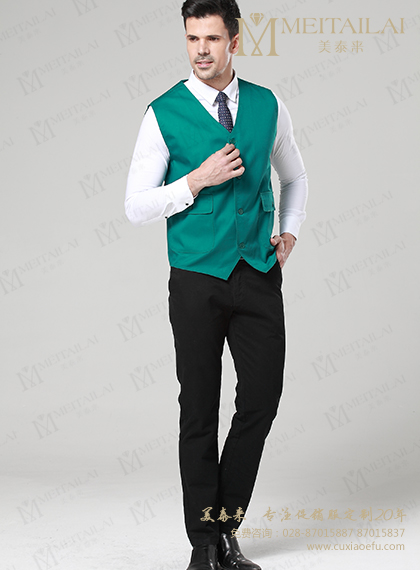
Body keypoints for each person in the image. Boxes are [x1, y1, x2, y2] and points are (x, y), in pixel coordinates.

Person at [125, 1, 308, 568]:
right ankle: (206, 544)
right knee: (199, 409)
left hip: (257, 274)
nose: (200, 50)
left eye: (211, 38)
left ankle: (226, 524)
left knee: (261, 400)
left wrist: (290, 230)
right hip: (196, 279)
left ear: (234, 40)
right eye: (191, 38)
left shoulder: (268, 104)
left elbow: (295, 175)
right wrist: (195, 181)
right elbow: (135, 206)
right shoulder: (163, 113)